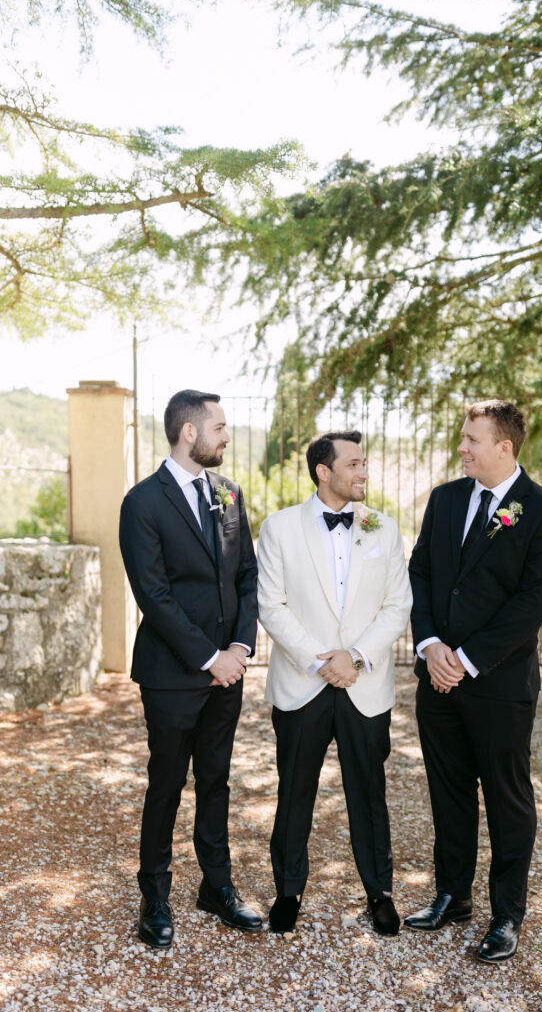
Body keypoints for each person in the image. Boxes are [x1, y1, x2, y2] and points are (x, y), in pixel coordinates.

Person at [405, 399, 542, 962]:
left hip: (498, 684)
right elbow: (422, 572)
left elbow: (531, 605)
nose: (462, 448)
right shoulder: (446, 499)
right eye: (462, 437)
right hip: (437, 678)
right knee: (448, 793)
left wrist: (465, 659)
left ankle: (506, 916)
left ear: (505, 447)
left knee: (507, 800)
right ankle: (452, 896)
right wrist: (430, 647)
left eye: (472, 439)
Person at [119, 389, 261, 949]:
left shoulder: (228, 493)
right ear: (188, 433)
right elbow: (153, 595)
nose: (227, 436)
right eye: (220, 427)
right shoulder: (143, 503)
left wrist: (241, 650)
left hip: (229, 669)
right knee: (166, 783)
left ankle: (216, 886)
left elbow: (246, 575)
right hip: (174, 673)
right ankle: (154, 895)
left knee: (217, 781)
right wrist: (210, 658)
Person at [256, 431, 412, 936]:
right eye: (355, 463)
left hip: (364, 685)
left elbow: (397, 606)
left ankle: (379, 893)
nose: (364, 472)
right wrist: (319, 661)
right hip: (303, 683)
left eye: (364, 462)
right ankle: (287, 890)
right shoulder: (279, 528)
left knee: (369, 793)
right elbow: (271, 606)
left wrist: (358, 658)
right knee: (294, 790)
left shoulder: (383, 530)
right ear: (324, 471)